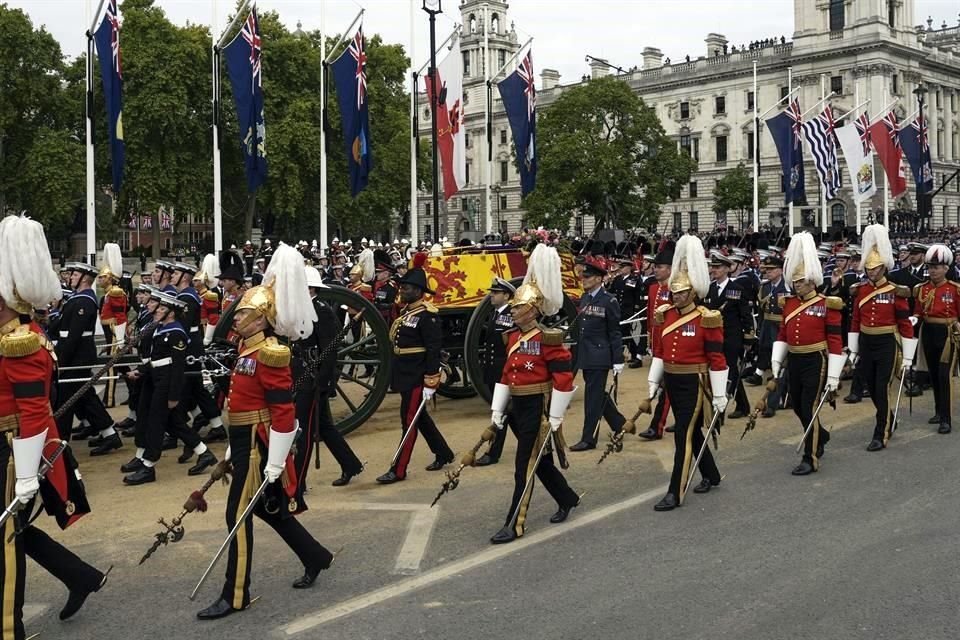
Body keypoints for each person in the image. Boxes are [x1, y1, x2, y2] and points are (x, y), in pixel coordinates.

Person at [197, 243, 335, 620]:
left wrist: (275, 461)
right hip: (245, 441)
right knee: (269, 511)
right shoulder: (247, 348)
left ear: (261, 319)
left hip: (260, 449)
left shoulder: (271, 352)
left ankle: (236, 593)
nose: (237, 317)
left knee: (237, 515)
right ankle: (316, 557)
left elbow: (283, 413)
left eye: (243, 313)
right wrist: (230, 450)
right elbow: (241, 407)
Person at [0, 215, 110, 638]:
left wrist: (26, 475)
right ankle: (79, 576)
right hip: (11, 446)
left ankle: (9, 627)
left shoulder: (21, 341)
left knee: (7, 540)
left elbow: (31, 413)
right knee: (15, 530)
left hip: (15, 453)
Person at [488, 245, 579, 543]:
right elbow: (506, 375)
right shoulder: (512, 336)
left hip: (537, 407)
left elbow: (564, 379)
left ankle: (514, 522)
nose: (512, 311)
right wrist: (497, 411)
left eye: (517, 307)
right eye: (513, 307)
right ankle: (566, 497)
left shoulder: (548, 339)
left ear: (533, 310)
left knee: (523, 465)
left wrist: (555, 417)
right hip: (517, 404)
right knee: (538, 461)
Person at [647, 235, 727, 511]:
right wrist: (653, 381)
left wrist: (719, 394)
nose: (676, 295)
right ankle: (711, 473)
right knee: (691, 432)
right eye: (674, 291)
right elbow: (660, 350)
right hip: (671, 379)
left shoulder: (707, 317)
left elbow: (717, 358)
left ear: (692, 292)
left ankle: (675, 492)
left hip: (694, 382)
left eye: (681, 292)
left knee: (683, 434)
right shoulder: (665, 314)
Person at [121, 291, 217, 485]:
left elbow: (177, 367)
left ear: (171, 313)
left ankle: (148, 466)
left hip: (166, 382)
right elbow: (157, 360)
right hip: (156, 377)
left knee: (156, 422)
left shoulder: (175, 332)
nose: (156, 311)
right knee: (173, 423)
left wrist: (174, 395)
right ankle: (203, 452)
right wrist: (140, 371)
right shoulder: (161, 329)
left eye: (162, 309)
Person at [771, 232, 845, 476]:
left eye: (801, 281)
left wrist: (834, 375)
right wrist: (776, 359)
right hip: (795, 358)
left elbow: (834, 339)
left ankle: (810, 457)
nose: (797, 285)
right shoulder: (789, 303)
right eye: (795, 281)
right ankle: (820, 435)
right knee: (796, 405)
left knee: (809, 405)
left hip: (816, 359)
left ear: (812, 280)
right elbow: (783, 332)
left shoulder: (827, 303)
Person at [376, 253, 454, 483]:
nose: (403, 290)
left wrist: (432, 379)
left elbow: (433, 349)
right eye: (403, 286)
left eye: (408, 288)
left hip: (419, 375)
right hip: (405, 372)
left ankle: (398, 469)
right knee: (419, 417)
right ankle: (443, 452)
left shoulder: (427, 315)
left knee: (409, 420)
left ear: (419, 291)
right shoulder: (407, 312)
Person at [847, 225, 917, 451]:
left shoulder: (895, 290)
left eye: (875, 268)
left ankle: (881, 432)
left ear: (884, 267)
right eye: (868, 268)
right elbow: (856, 320)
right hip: (867, 342)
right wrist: (853, 348)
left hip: (888, 342)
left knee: (881, 387)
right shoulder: (861, 290)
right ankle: (889, 417)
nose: (871, 272)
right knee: (869, 383)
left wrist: (908, 356)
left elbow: (905, 323)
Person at [295, 266, 364, 487]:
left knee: (303, 429)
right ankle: (350, 464)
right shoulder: (303, 309)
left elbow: (329, 349)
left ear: (309, 288)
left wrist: (323, 381)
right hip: (305, 372)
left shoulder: (321, 310)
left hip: (315, 376)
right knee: (324, 426)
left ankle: (298, 480)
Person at [55, 262, 122, 451]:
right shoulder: (78, 298)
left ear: (84, 278)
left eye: (75, 275)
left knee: (66, 399)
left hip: (77, 355)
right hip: (75, 353)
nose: (71, 278)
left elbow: (74, 335)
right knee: (84, 395)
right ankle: (109, 433)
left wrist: (62, 359)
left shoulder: (84, 301)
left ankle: (61, 441)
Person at [570, 256, 626, 451]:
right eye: (583, 276)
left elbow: (615, 332)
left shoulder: (608, 300)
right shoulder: (585, 297)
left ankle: (589, 438)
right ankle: (619, 424)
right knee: (597, 394)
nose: (583, 279)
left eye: (588, 277)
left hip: (600, 356)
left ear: (598, 279)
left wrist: (618, 359)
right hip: (586, 354)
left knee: (592, 398)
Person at [913, 244, 960, 434]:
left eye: (936, 267)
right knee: (933, 374)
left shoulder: (955, 289)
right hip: (929, 331)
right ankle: (938, 412)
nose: (932, 270)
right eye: (930, 267)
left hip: (948, 333)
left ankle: (946, 418)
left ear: (946, 269)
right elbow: (917, 312)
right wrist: (912, 321)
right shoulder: (922, 289)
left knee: (944, 376)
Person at [703, 253, 754, 419]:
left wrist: (748, 338)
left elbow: (746, 315)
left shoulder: (736, 289)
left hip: (731, 337)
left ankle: (721, 408)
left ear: (726, 269)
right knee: (720, 371)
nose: (714, 270)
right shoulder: (709, 289)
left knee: (729, 372)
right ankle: (743, 405)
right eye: (713, 267)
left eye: (718, 267)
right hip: (714, 338)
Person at [475, 278, 516, 466]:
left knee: (499, 413)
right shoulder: (494, 314)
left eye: (495, 292)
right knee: (509, 414)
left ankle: (493, 453)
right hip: (493, 369)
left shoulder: (511, 315)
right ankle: (534, 442)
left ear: (506, 295)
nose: (491, 295)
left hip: (503, 370)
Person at [638, 247, 675, 440]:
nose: (656, 270)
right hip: (657, 343)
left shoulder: (676, 289)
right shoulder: (653, 288)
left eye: (660, 267)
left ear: (670, 269)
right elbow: (649, 317)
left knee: (667, 387)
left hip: (671, 345)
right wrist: (649, 341)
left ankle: (657, 426)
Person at [748, 254, 788, 418]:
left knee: (779, 366)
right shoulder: (764, 286)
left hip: (782, 327)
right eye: (767, 269)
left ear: (780, 270)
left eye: (772, 270)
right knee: (771, 361)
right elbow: (763, 311)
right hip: (767, 327)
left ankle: (772, 403)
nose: (768, 272)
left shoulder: (788, 286)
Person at [97, 243, 128, 409]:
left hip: (114, 331)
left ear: (110, 278)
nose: (100, 279)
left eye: (102, 277)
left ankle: (109, 399)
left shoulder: (115, 292)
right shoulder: (110, 292)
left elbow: (120, 317)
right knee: (122, 365)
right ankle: (134, 389)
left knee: (111, 365)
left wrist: (120, 339)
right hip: (110, 331)